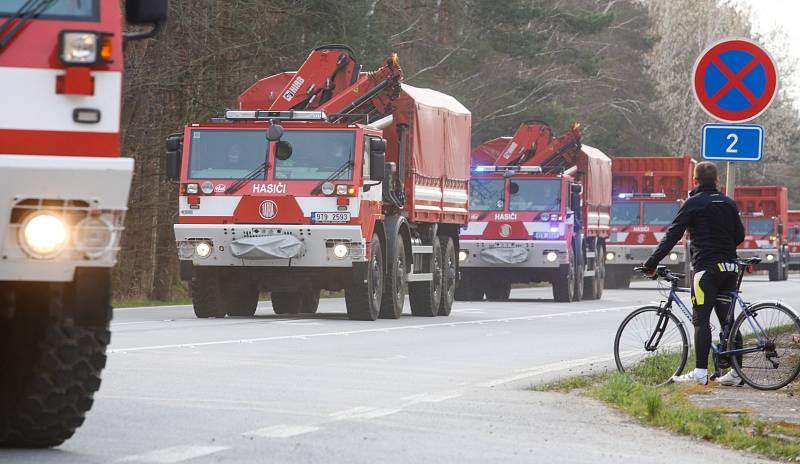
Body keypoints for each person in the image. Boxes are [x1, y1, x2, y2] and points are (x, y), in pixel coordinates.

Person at [643, 161, 745, 386]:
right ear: (717, 181)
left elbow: (672, 235)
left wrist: (651, 263)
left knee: (701, 319)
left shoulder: (694, 203)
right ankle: (737, 373)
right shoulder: (728, 203)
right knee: (728, 321)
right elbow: (739, 235)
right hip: (729, 268)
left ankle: (700, 371)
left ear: (695, 181)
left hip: (706, 270)